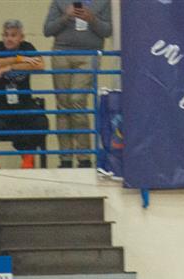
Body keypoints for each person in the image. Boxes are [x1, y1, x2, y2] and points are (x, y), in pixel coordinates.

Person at [42, 0, 112, 168]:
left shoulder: (103, 2)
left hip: (89, 54)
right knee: (63, 105)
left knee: (77, 100)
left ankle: (84, 157)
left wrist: (92, 19)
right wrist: (65, 17)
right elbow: (47, 30)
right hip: (61, 53)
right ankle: (65, 158)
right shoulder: (59, 2)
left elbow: (107, 31)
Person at [0, 19, 47, 169]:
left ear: (21, 37)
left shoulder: (27, 47)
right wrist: (17, 58)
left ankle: (28, 157)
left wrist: (10, 67)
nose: (8, 39)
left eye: (13, 35)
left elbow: (40, 64)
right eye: (6, 35)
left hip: (23, 101)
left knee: (40, 121)